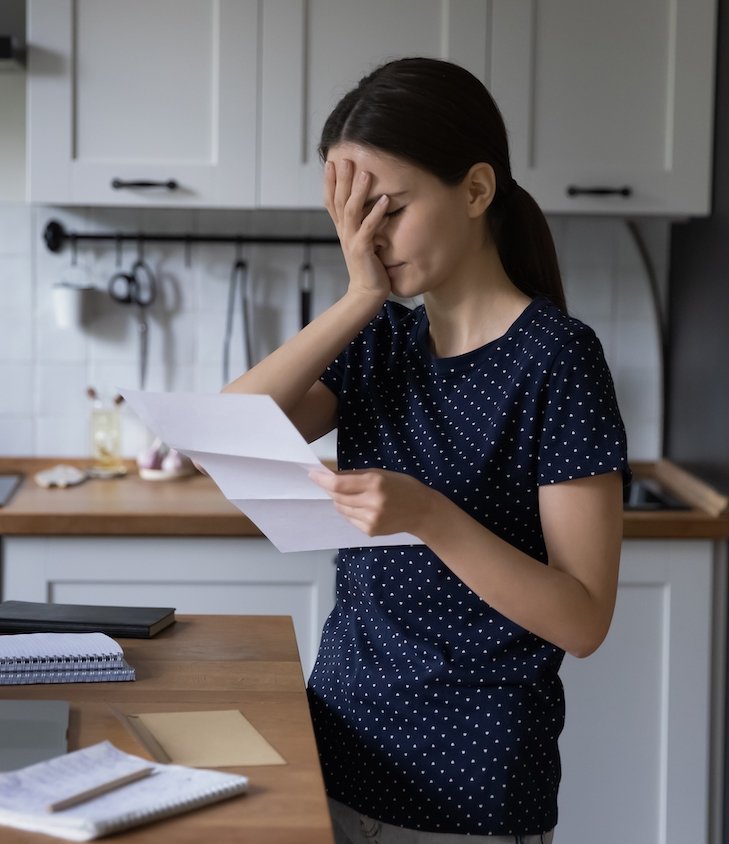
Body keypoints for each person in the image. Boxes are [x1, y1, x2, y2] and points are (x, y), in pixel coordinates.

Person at [224, 57, 629, 844]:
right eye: (350, 215)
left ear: (475, 191)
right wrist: (359, 297)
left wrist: (431, 518)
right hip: (337, 746)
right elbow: (229, 433)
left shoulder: (556, 358)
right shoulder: (381, 339)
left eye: (388, 207)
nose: (367, 237)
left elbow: (581, 620)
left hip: (470, 783)